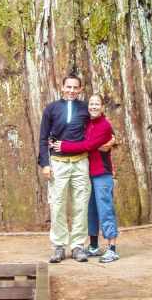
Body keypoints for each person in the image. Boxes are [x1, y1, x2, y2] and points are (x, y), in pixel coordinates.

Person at [50, 94, 120, 263]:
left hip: (102, 173)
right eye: (91, 104)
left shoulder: (104, 125)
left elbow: (88, 145)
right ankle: (94, 246)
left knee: (105, 209)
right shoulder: (87, 122)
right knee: (90, 210)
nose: (94, 107)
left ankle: (112, 248)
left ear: (102, 107)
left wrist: (64, 146)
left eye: (97, 104)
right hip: (86, 171)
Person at [38, 75, 91, 263]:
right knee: (58, 205)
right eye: (68, 87)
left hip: (80, 163)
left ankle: (77, 246)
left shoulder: (86, 109)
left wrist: (111, 138)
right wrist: (45, 163)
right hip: (58, 163)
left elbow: (96, 132)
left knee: (80, 204)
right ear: (62, 88)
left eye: (75, 87)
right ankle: (59, 246)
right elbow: (44, 138)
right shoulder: (51, 109)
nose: (71, 90)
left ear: (80, 89)